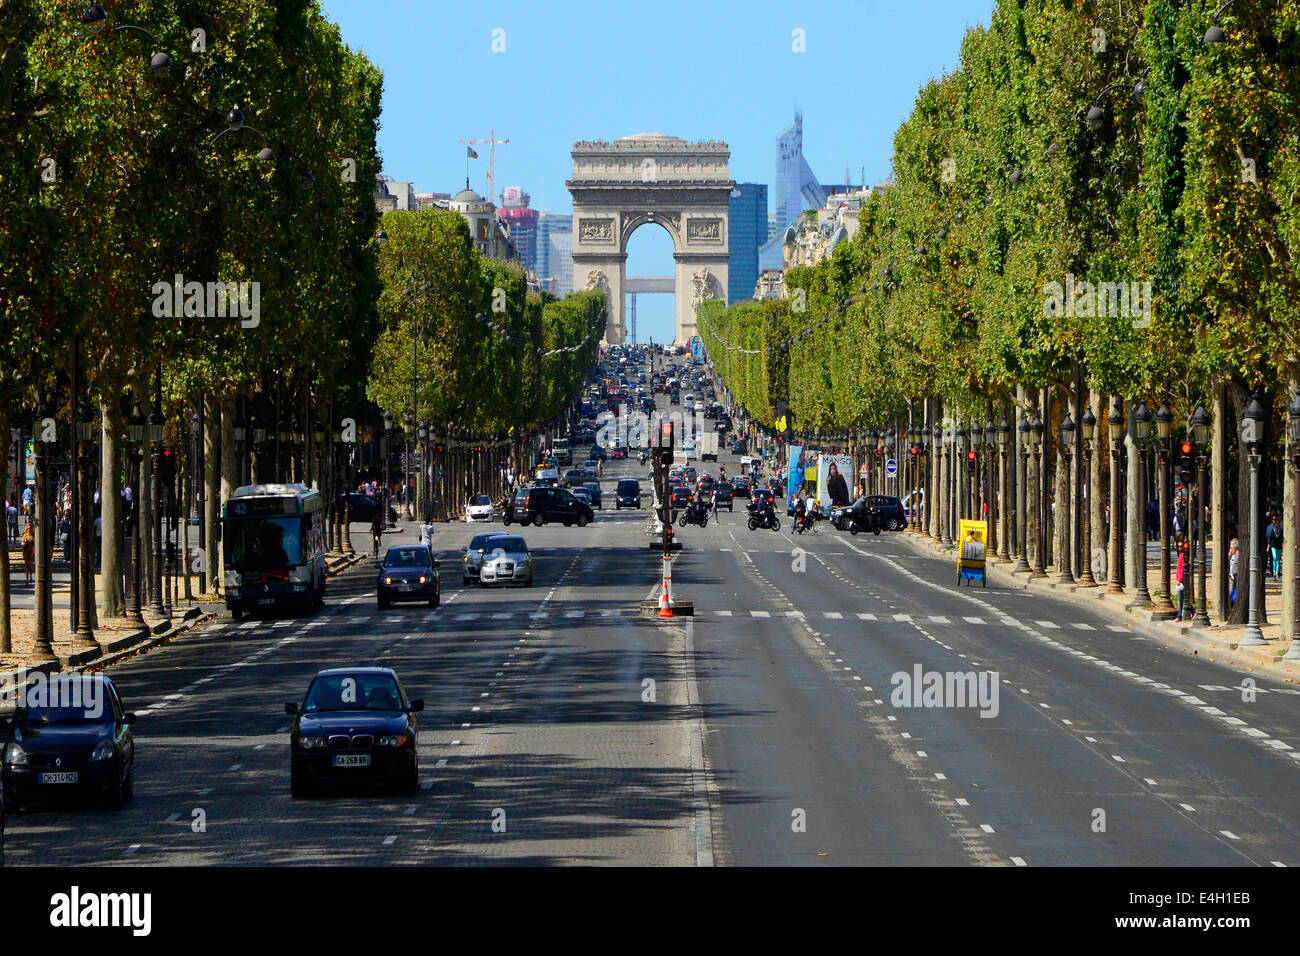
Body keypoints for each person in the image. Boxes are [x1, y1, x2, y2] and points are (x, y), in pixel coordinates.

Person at [1175, 541, 1189, 621]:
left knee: (1181, 598)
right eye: (1178, 546)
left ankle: (1179, 616)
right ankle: (1192, 611)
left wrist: (1179, 579)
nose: (1179, 547)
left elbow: (1182, 569)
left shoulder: (1183, 556)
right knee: (1183, 598)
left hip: (1182, 580)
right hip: (1180, 579)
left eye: (1181, 546)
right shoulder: (1181, 555)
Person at [1266, 514, 1283, 579]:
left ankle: (1276, 573)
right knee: (1275, 558)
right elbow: (1269, 538)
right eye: (1274, 520)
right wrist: (1268, 546)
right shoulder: (1272, 529)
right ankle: (1273, 571)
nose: (1276, 521)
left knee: (1278, 560)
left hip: (1279, 546)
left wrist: (1282, 546)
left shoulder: (1281, 530)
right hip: (1273, 546)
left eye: (1277, 520)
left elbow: (1282, 538)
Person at [21, 521, 35, 586]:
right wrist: (24, 543)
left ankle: (31, 576)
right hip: (25, 551)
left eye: (30, 528)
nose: (29, 529)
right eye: (28, 528)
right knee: (26, 566)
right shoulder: (25, 535)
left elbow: (35, 544)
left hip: (32, 551)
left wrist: (33, 551)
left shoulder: (33, 535)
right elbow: (22, 543)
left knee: (31, 565)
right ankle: (27, 579)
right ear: (26, 529)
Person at [1228, 538, 1240, 607]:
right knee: (1233, 591)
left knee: (1234, 591)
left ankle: (1233, 604)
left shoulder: (1239, 554)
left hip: (1237, 576)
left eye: (1231, 548)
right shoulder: (1234, 554)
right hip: (1234, 576)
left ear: (1235, 548)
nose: (1230, 549)